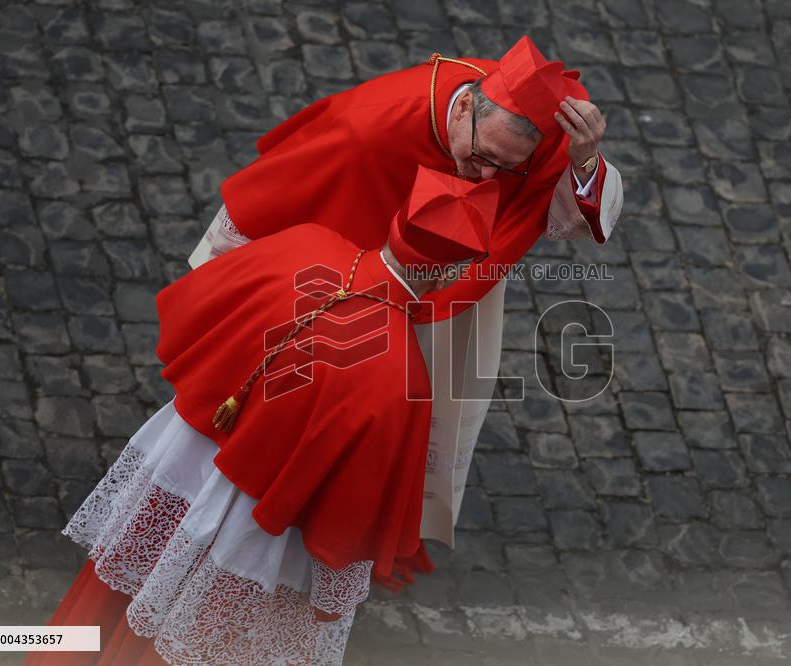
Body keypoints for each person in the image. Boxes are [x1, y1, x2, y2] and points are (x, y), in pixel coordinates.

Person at [24, 167, 499, 666]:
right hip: (252, 540)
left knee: (103, 609)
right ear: (449, 273)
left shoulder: (303, 243)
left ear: (398, 223)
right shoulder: (402, 382)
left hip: (182, 469)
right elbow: (345, 526)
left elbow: (193, 311)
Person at [189, 35, 624, 544]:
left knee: (395, 415)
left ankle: (353, 515)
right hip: (329, 288)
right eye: (481, 155)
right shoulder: (365, 131)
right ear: (463, 108)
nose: (484, 176)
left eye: (504, 167)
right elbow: (263, 207)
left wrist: (588, 158)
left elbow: (576, 206)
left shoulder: (531, 121)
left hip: (447, 300)